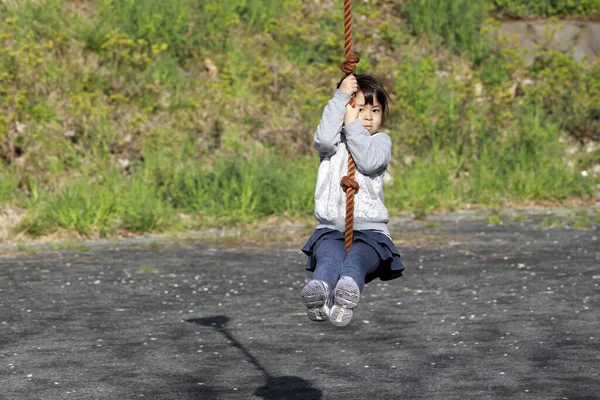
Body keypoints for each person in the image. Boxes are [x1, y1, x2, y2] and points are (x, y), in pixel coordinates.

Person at [300, 74, 405, 327]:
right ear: (347, 110)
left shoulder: (380, 141)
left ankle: (347, 295)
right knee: (328, 259)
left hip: (370, 231)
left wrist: (352, 124)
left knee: (356, 259)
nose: (368, 117)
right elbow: (323, 138)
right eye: (360, 109)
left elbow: (368, 161)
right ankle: (320, 292)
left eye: (375, 109)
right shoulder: (333, 144)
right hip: (331, 228)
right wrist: (340, 98)